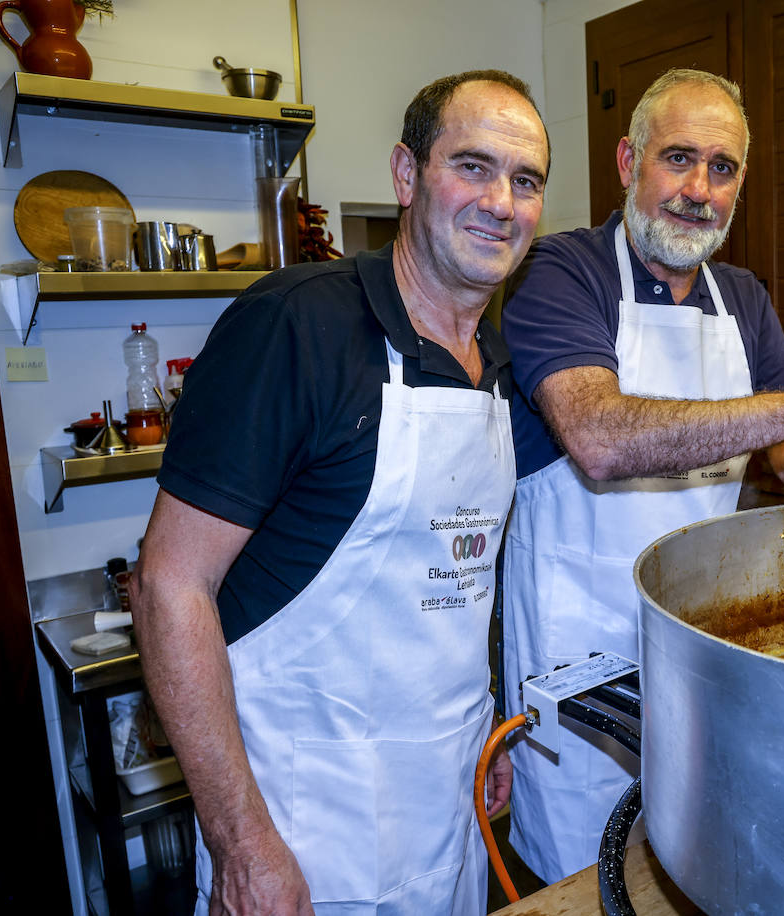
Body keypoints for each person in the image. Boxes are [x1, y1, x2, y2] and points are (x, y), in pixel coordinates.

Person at [129, 70, 550, 915]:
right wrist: (241, 844)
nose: (501, 202)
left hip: (451, 818)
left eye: (526, 180)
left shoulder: (499, 367)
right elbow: (168, 586)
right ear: (405, 175)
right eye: (472, 166)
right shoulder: (297, 326)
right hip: (305, 834)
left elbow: (457, 585)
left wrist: (483, 725)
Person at [498, 68, 784, 883]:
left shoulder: (743, 298)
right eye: (677, 158)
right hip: (579, 660)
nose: (698, 190)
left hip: (702, 653)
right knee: (584, 878)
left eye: (722, 169)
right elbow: (601, 438)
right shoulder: (558, 273)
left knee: (693, 868)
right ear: (627, 161)